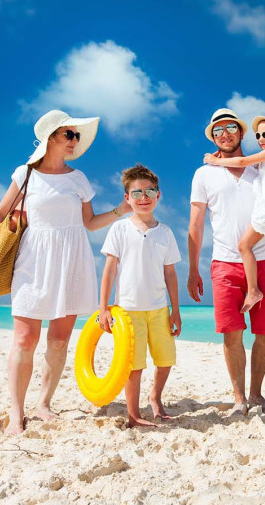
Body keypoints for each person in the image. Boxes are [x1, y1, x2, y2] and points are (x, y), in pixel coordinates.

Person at [0, 110, 131, 435]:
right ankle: (16, 413)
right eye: (68, 134)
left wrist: (119, 212)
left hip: (72, 261)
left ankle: (43, 404)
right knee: (25, 339)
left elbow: (88, 223)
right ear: (51, 137)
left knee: (58, 341)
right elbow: (1, 211)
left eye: (76, 136)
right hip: (33, 261)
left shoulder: (78, 179)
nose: (74, 141)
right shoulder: (26, 174)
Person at [188, 108, 265, 416]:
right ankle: (239, 397)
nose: (224, 134)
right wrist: (192, 269)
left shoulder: (263, 167)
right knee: (232, 332)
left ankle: (256, 394)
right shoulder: (204, 173)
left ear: (241, 133)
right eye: (217, 131)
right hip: (225, 262)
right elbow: (196, 224)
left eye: (230, 128)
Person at [98, 164, 182, 427]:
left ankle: (155, 398)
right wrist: (104, 308)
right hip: (128, 310)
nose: (143, 197)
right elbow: (110, 270)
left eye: (149, 191)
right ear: (127, 198)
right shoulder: (120, 230)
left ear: (158, 195)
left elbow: (170, 274)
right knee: (134, 365)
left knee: (166, 359)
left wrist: (175, 310)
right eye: (136, 193)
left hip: (158, 308)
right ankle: (133, 414)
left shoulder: (166, 232)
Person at [204, 111, 265, 313]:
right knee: (255, 238)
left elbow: (241, 162)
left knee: (244, 244)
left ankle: (254, 290)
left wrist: (216, 160)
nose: (261, 140)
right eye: (258, 135)